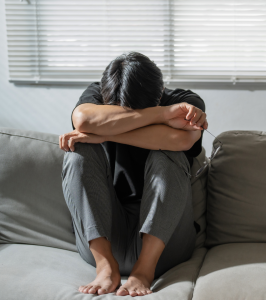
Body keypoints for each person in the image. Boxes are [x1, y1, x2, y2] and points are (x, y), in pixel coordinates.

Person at [59, 52, 207, 297]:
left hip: (166, 243)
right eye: (118, 112)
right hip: (104, 236)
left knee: (169, 153)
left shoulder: (185, 101)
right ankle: (105, 267)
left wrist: (105, 133)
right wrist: (160, 115)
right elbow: (83, 120)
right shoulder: (97, 94)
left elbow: (181, 140)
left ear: (159, 95)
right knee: (79, 150)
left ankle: (143, 272)